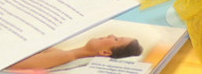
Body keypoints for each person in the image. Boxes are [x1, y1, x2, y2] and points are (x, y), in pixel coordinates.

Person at [8, 35, 142, 70]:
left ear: (105, 52)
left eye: (116, 39)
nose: (111, 35)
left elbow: (11, 65)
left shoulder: (65, 56)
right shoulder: (61, 53)